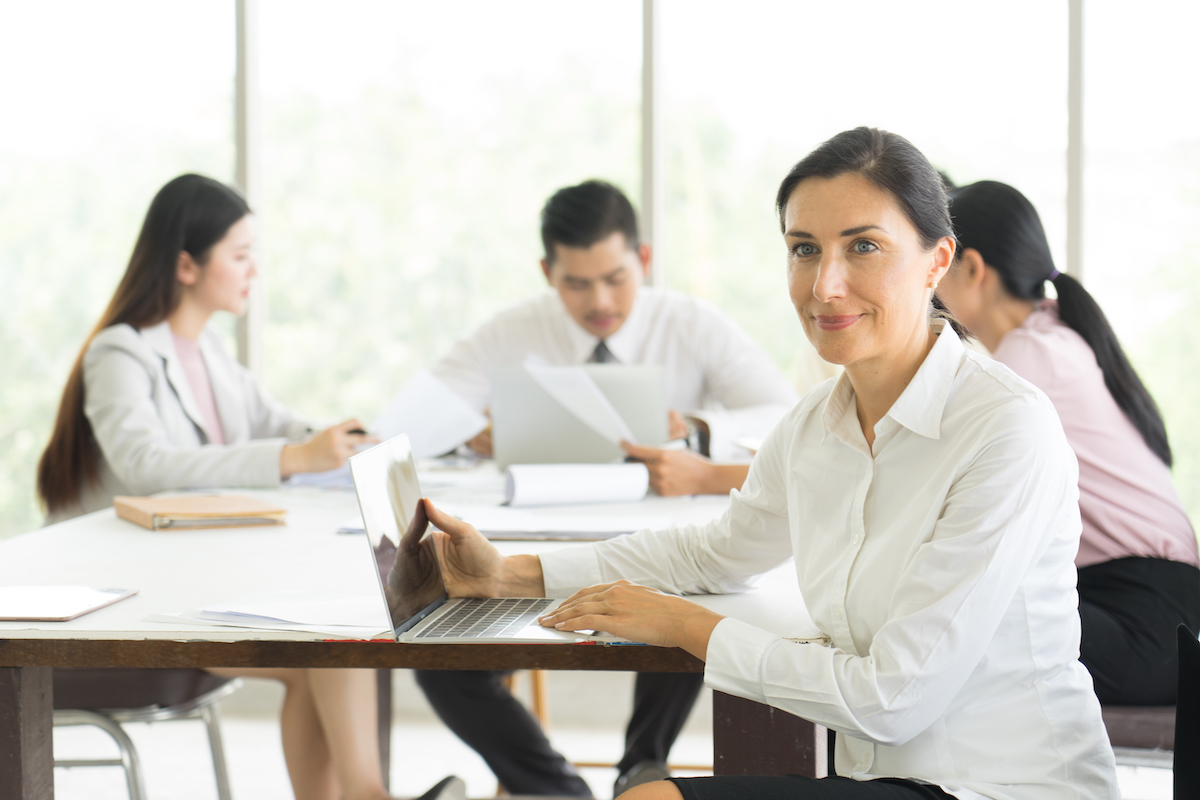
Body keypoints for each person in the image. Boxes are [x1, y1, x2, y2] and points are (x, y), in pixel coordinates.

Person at [419, 128, 1120, 799]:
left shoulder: (1005, 429)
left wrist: (683, 625)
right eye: (805, 249)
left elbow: (892, 699)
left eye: (865, 247)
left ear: (938, 261)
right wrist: (510, 572)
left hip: (1000, 786)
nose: (826, 285)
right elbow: (712, 553)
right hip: (879, 780)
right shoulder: (814, 425)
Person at [36, 174, 462, 800]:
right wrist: (294, 454)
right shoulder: (119, 353)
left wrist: (348, 439)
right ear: (186, 264)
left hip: (185, 586)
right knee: (330, 642)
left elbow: (277, 423)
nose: (253, 271)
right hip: (114, 613)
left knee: (332, 642)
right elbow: (147, 465)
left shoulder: (207, 353)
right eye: (239, 255)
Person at [421, 179, 803, 797]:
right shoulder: (513, 329)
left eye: (615, 278)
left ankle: (640, 767)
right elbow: (420, 414)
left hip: (665, 533)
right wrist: (472, 432)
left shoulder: (690, 323)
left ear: (643, 260)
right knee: (446, 662)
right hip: (536, 532)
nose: (599, 300)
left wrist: (701, 429)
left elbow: (785, 415)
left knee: (691, 597)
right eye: (576, 283)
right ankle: (556, 791)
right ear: (548, 272)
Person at [935, 179, 1200, 705]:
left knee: (955, 620)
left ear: (972, 268)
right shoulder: (1050, 335)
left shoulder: (1031, 359)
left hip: (1149, 617)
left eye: (937, 263)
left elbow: (931, 467)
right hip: (1145, 603)